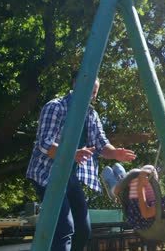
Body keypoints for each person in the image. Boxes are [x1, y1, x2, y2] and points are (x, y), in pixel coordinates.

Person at [26, 76, 136, 251]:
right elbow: (45, 143)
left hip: (70, 176)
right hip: (47, 174)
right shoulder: (56, 107)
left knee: (83, 229)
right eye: (89, 91)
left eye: (95, 92)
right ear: (76, 85)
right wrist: (70, 154)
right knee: (64, 227)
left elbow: (101, 144)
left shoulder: (91, 114)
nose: (92, 96)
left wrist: (115, 153)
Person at [101, 155, 165, 231]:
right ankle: (122, 182)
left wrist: (140, 187)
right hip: (147, 211)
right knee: (126, 169)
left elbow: (145, 213)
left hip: (140, 219)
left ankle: (115, 190)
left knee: (130, 173)